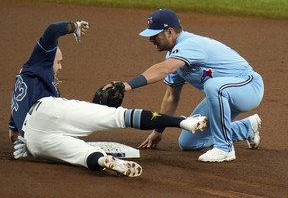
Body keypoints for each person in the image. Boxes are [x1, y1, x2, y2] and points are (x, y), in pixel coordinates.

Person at [8, 20, 208, 177]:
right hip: (45, 109)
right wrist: (74, 26)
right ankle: (184, 121)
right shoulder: (39, 61)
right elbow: (52, 29)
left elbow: (13, 134)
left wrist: (24, 138)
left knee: (82, 154)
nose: (60, 67)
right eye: (58, 62)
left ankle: (105, 162)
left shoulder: (23, 81)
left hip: (33, 141)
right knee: (119, 117)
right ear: (47, 58)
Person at [120, 9, 264, 162]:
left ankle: (224, 147)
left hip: (248, 87)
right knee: (188, 142)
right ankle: (247, 127)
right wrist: (158, 130)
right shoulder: (174, 57)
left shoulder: (190, 44)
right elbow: (171, 96)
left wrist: (129, 85)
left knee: (212, 86)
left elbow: (164, 69)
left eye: (154, 35)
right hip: (222, 96)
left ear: (169, 32)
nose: (151, 39)